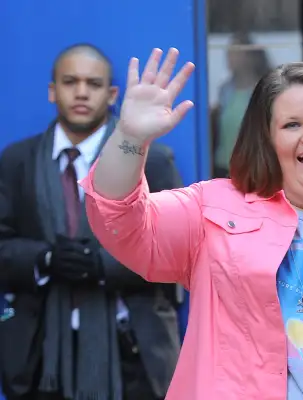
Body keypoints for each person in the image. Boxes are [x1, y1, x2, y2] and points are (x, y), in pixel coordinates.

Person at [80, 47, 303, 399]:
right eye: (292, 124)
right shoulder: (213, 206)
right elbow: (118, 218)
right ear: (267, 139)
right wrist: (130, 137)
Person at [0, 43, 182, 400]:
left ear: (112, 94)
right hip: (39, 358)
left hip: (132, 354)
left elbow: (173, 249)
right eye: (70, 82)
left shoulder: (153, 160)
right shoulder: (16, 161)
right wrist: (45, 260)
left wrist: (101, 265)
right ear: (53, 91)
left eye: (93, 84)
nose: (81, 92)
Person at [210, 32, 271, 178]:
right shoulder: (225, 89)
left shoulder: (263, 89)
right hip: (224, 167)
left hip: (253, 167)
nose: (229, 57)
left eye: (235, 52)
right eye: (228, 52)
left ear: (249, 57)